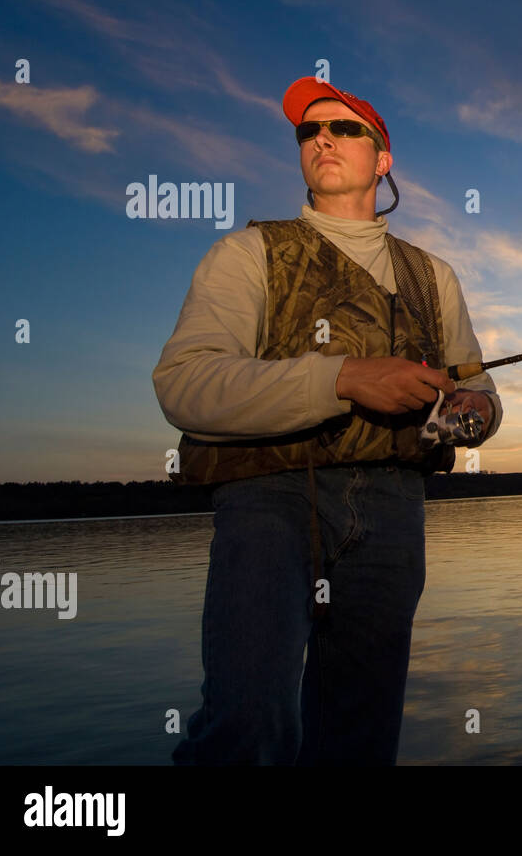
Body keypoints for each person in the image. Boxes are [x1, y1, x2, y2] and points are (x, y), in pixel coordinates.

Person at [152, 76, 502, 765]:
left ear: (383, 159)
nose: (322, 140)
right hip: (270, 499)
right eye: (309, 132)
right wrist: (342, 377)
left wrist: (472, 413)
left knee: (358, 739)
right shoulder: (245, 254)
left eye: (344, 129)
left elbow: (477, 385)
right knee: (248, 724)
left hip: (395, 509)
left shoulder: (436, 276)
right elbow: (183, 385)